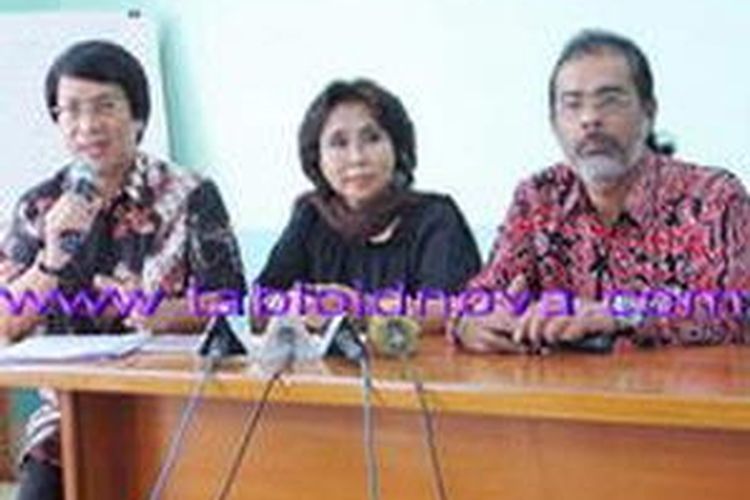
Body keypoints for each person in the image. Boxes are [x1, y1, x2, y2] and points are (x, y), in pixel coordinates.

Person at [0, 40, 246, 499]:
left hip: (174, 401)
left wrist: (164, 313)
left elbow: (229, 300)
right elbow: (7, 324)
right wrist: (51, 257)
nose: (88, 125)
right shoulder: (39, 205)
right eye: (71, 110)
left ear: (137, 115)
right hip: (71, 412)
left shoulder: (191, 194)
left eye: (105, 106)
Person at [452, 29, 750, 354]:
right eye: (572, 104)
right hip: (561, 385)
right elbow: (481, 295)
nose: (590, 118)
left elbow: (735, 308)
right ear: (554, 123)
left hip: (680, 387)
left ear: (649, 113)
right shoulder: (538, 198)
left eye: (609, 101)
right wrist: (471, 322)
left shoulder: (713, 198)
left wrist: (620, 314)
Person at [255, 78, 481, 331]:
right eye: (339, 143)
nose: (357, 158)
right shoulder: (310, 214)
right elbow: (259, 303)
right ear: (317, 158)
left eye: (372, 138)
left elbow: (457, 312)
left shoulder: (436, 216)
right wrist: (294, 306)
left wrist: (361, 309)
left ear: (397, 147)